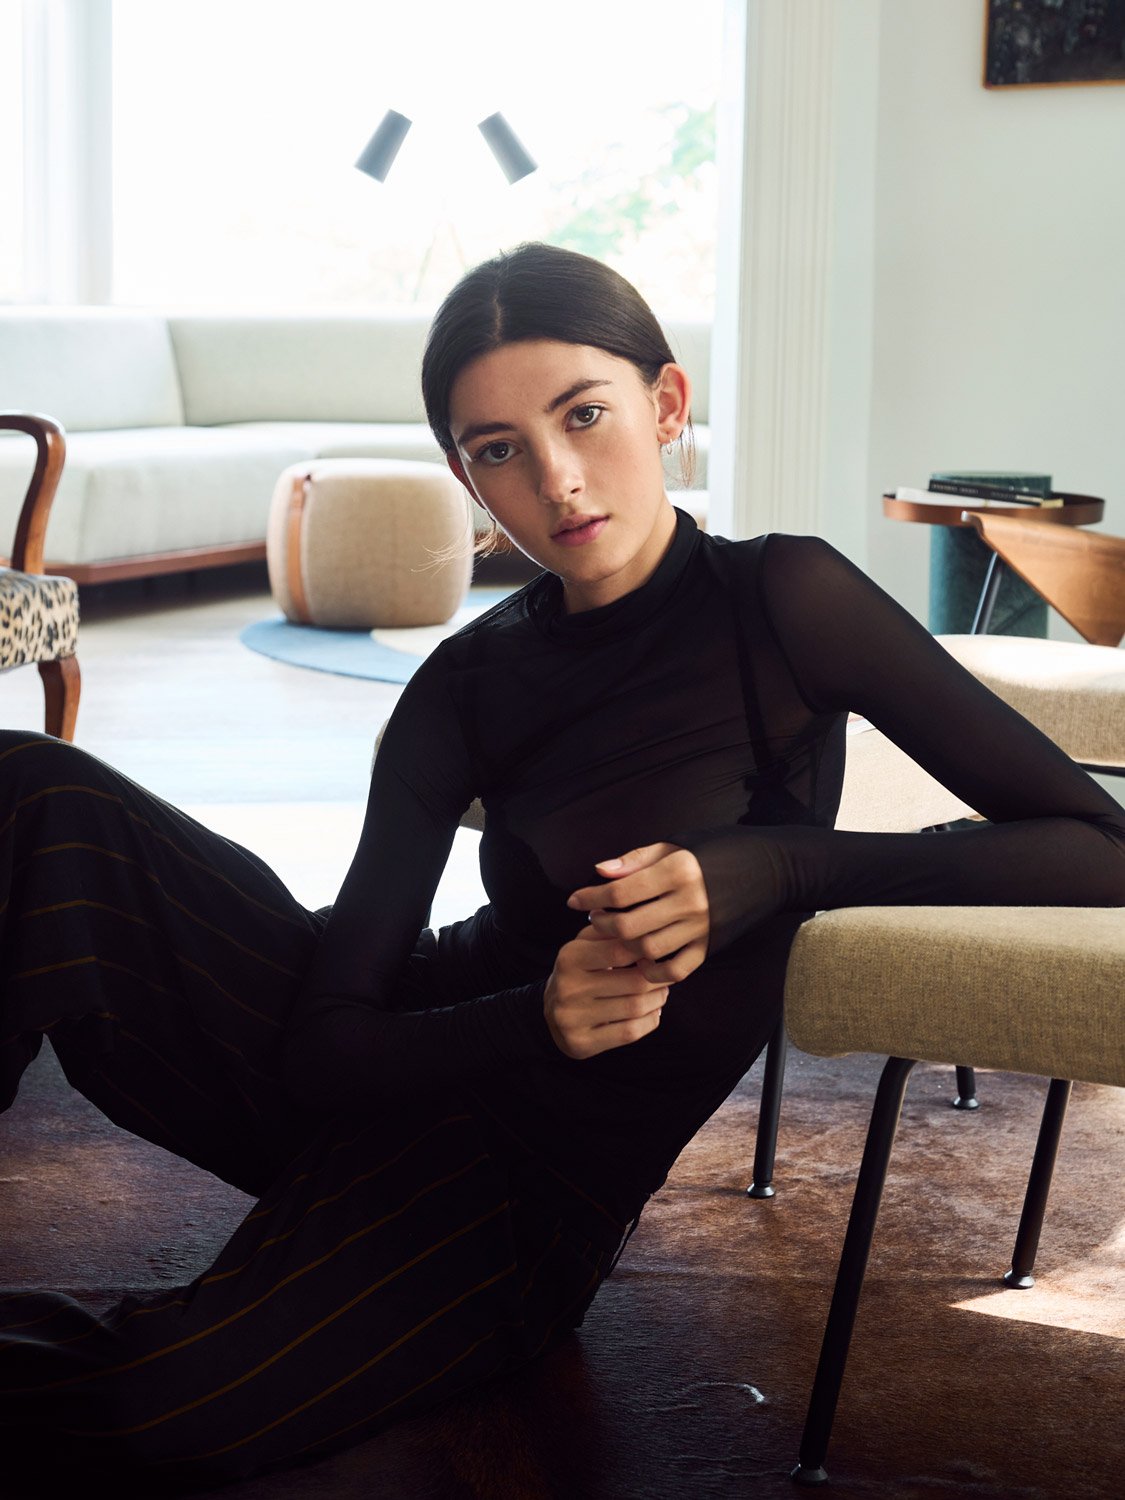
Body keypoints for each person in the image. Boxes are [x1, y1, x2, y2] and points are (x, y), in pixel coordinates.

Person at [1, 242, 1122, 1493]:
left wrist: (772, 868)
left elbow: (1097, 850)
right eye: (499, 449)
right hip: (397, 1055)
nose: (557, 479)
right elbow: (326, 1046)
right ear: (464, 473)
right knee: (26, 791)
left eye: (584, 414)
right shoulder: (461, 689)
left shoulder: (784, 601)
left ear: (667, 403)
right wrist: (532, 1016)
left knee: (155, 1410)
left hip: (522, 1194)